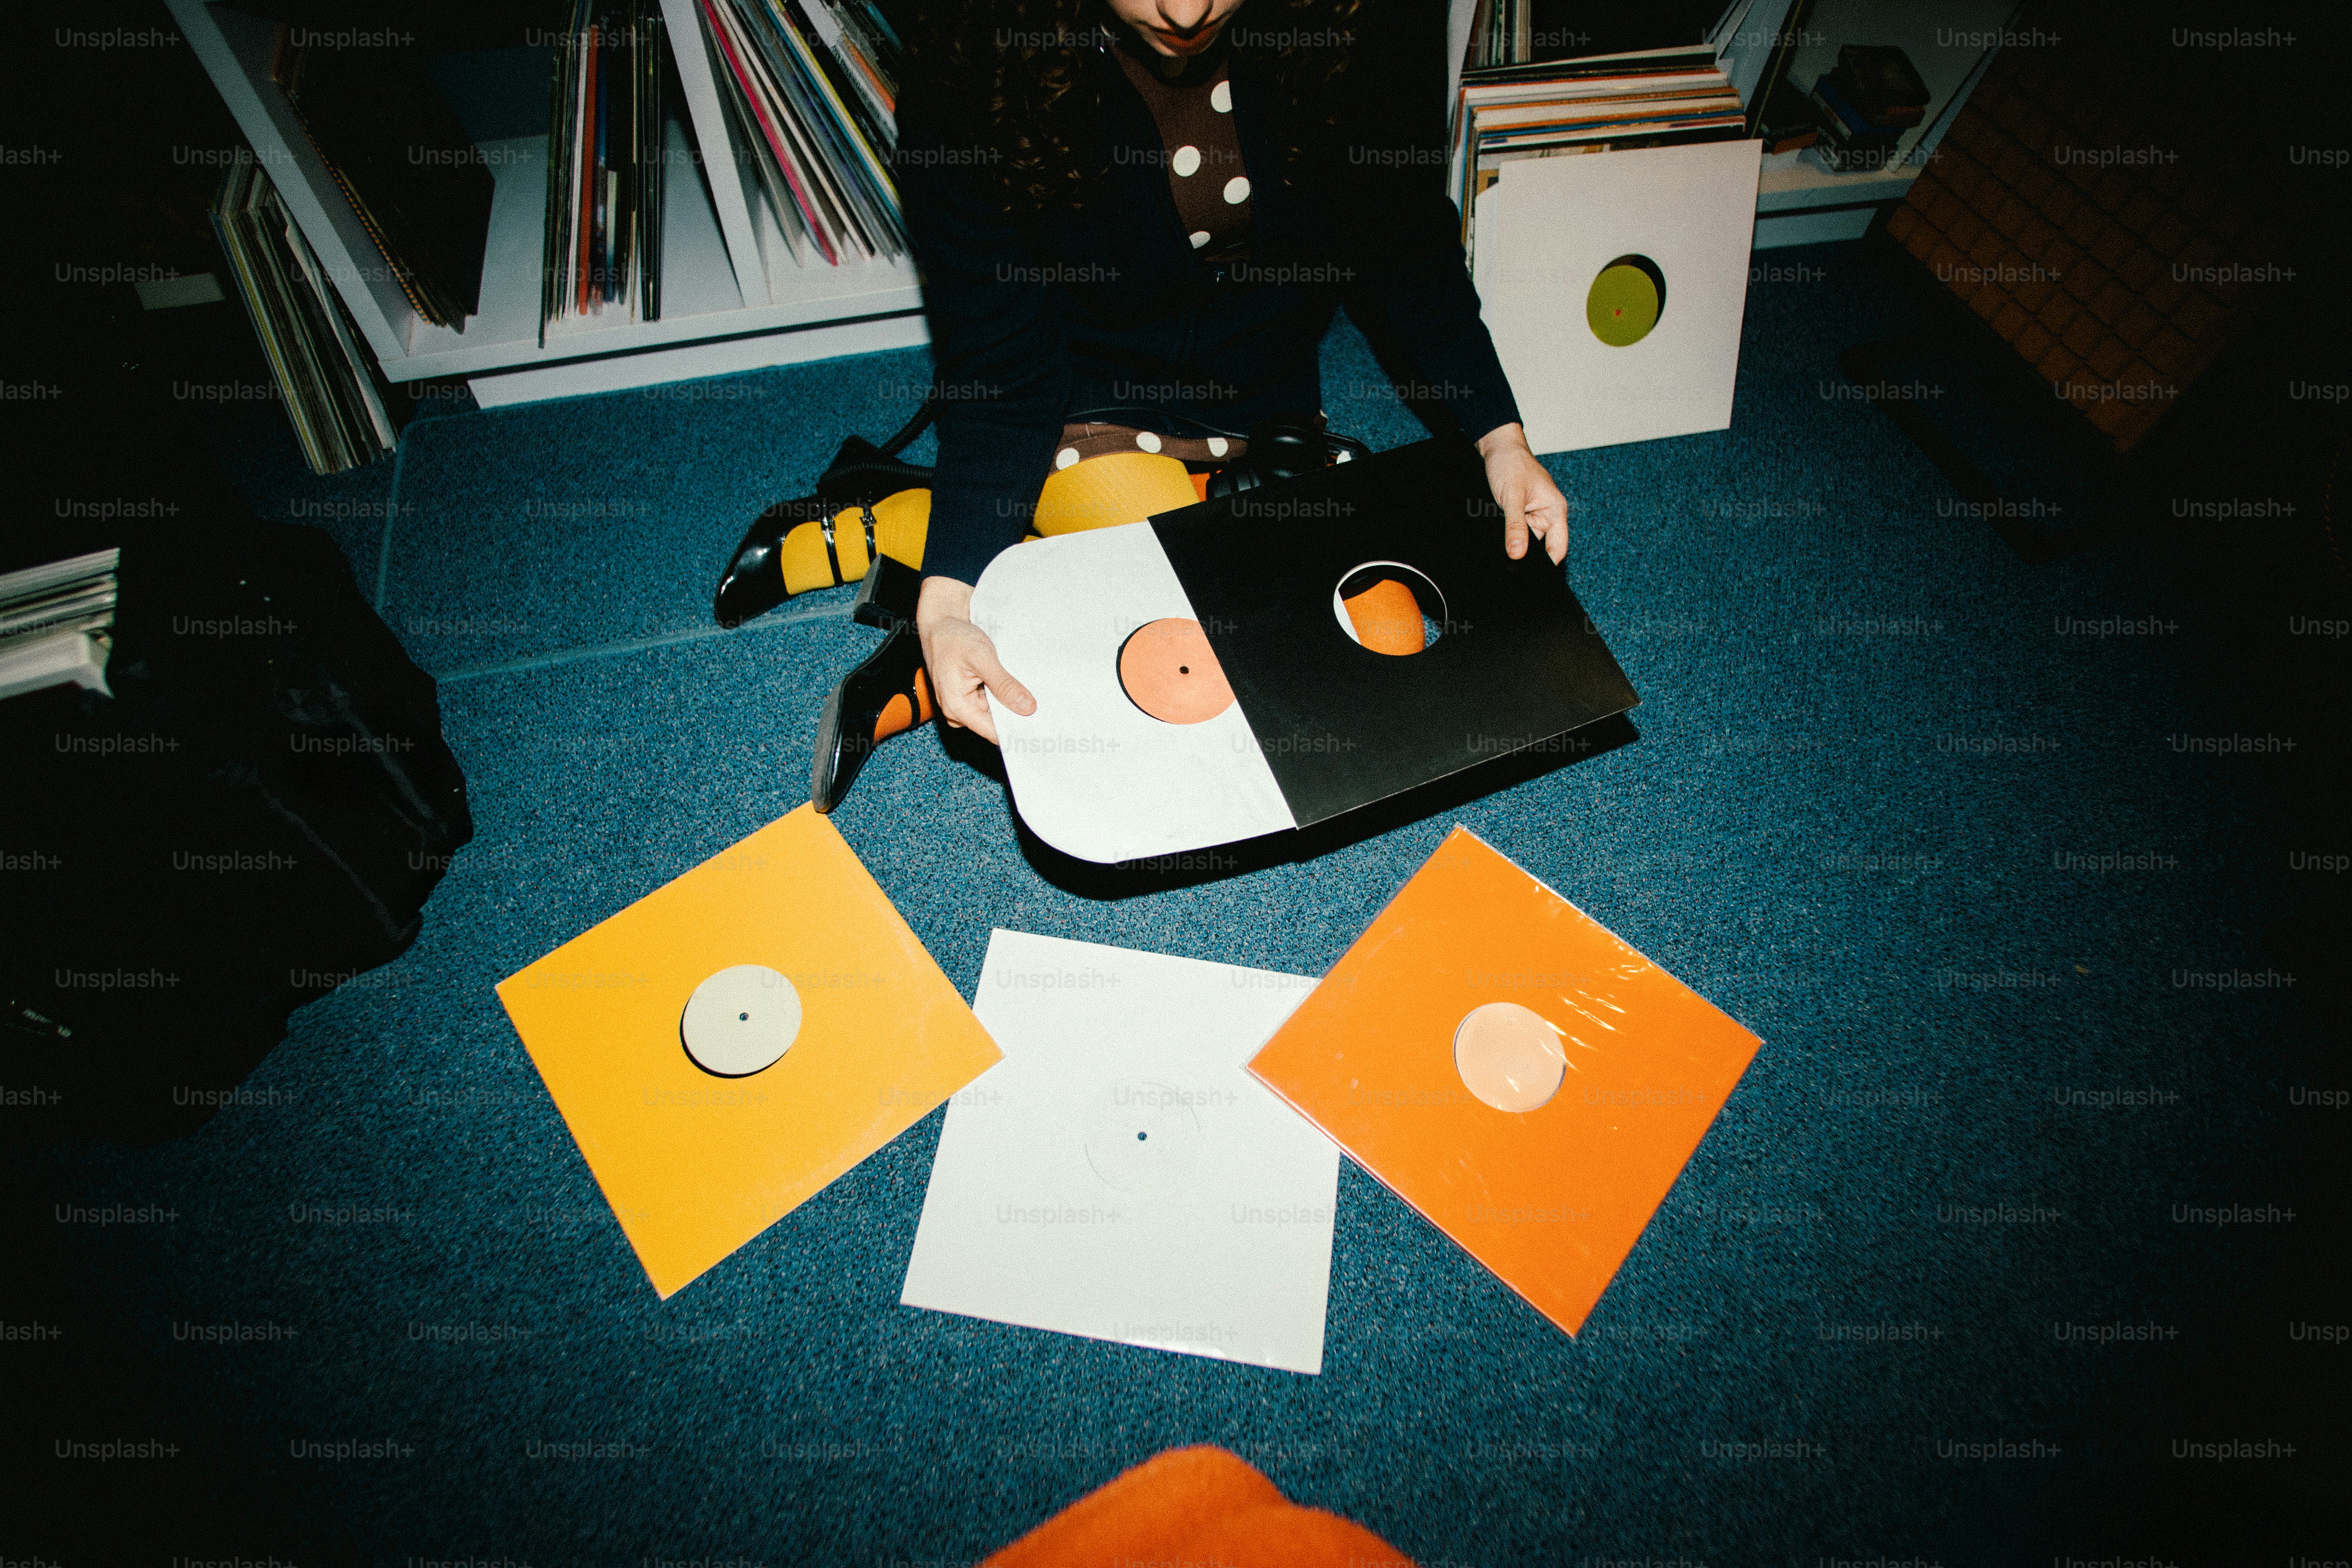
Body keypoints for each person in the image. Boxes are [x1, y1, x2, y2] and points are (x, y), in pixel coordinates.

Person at [804, 0, 1570, 808]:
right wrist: (953, 597)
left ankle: (913, 526)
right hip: (1087, 392)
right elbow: (1002, 368)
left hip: (1263, 405)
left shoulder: (1358, 14)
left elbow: (1403, 237)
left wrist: (1499, 438)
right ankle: (915, 606)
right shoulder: (974, 58)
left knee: (1379, 638)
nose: (1185, 9)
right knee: (1182, 658)